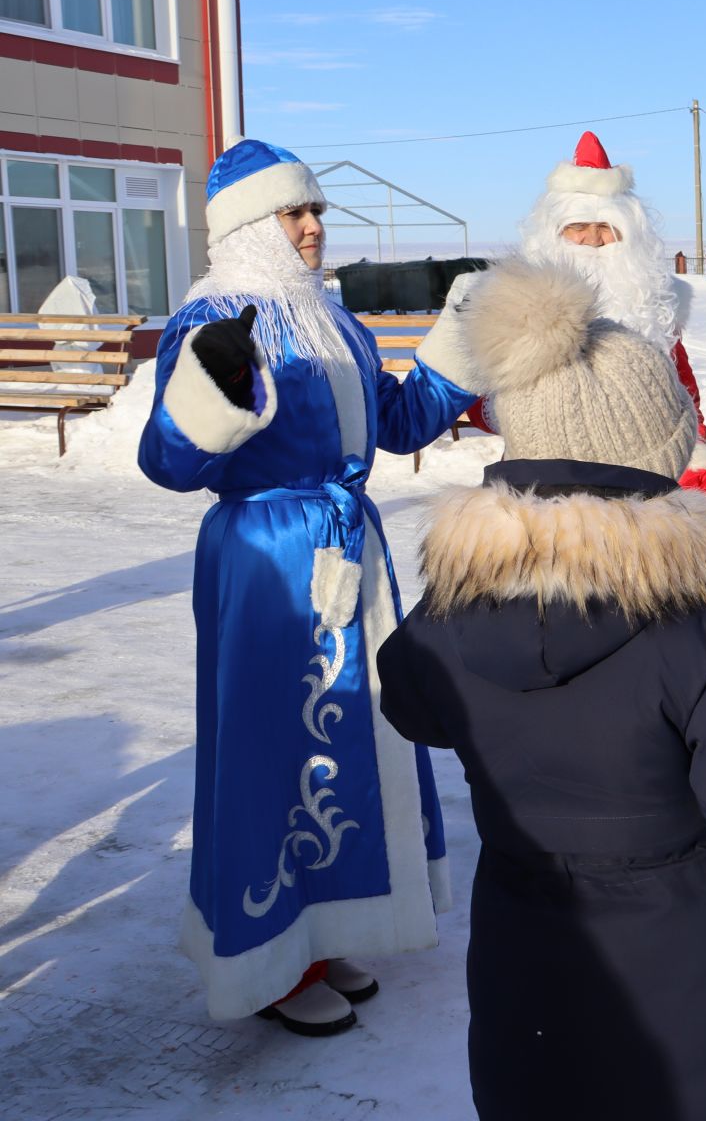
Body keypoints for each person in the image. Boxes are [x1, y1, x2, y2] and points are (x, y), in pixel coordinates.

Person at [375, 258, 706, 1121]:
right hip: (683, 966)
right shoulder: (704, 624)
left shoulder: (456, 600)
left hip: (524, 953)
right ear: (652, 447)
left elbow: (411, 702)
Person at [137, 140, 480, 1035]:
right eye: (296, 212)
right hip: (266, 561)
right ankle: (268, 957)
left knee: (350, 739)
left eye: (316, 209)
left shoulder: (334, 322)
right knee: (268, 747)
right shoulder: (212, 319)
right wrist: (214, 383)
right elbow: (169, 461)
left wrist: (458, 352)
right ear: (253, 226)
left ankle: (321, 932)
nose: (315, 225)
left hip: (344, 551)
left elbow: (397, 422)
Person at [517, 130, 706, 526]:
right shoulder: (519, 305)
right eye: (578, 226)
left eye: (606, 228)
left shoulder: (656, 303)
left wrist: (695, 448)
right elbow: (487, 402)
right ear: (553, 233)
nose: (593, 240)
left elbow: (681, 387)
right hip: (551, 475)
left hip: (642, 472)